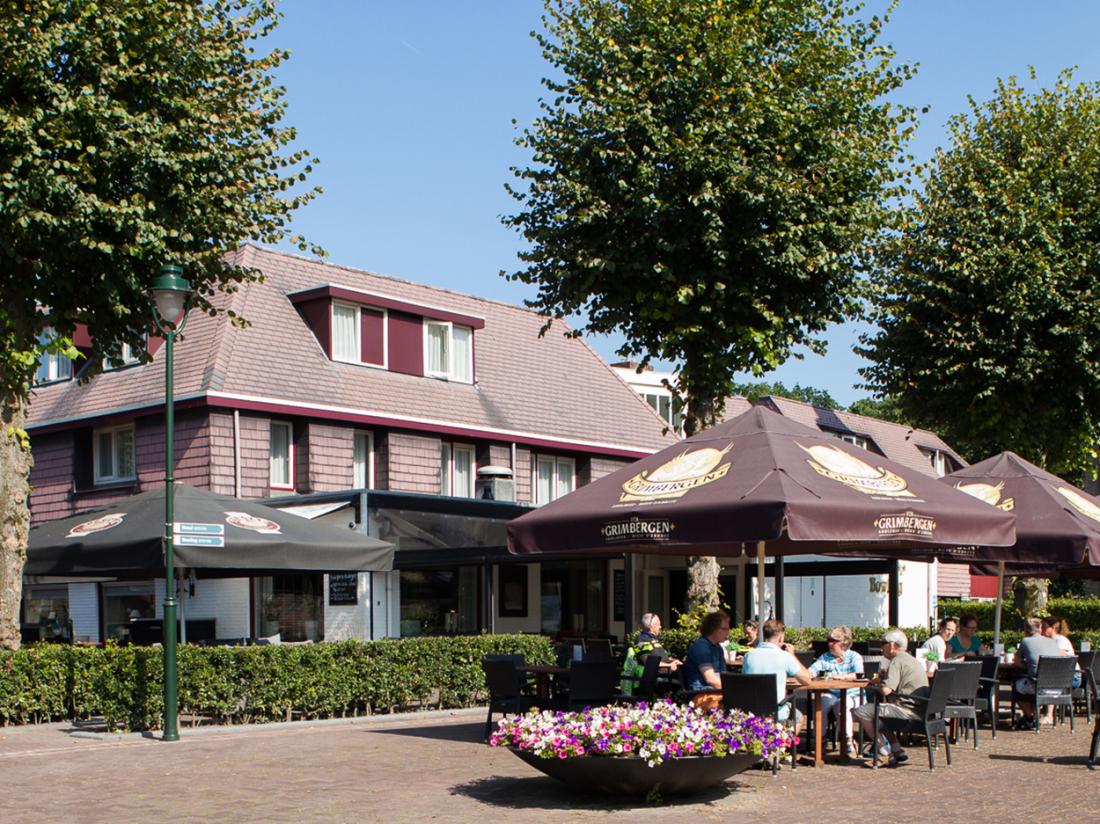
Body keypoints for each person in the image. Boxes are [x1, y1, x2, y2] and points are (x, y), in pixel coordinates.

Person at [852, 629, 929, 767]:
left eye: (883, 643)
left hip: (908, 711)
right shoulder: (911, 659)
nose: (881, 647)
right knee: (877, 715)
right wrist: (883, 678)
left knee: (862, 712)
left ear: (892, 645)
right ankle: (896, 749)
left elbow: (886, 691)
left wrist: (878, 683)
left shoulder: (896, 661)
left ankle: (884, 754)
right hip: (921, 709)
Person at [742, 619, 813, 729]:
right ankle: (781, 743)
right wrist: (793, 655)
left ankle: (772, 743)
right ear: (781, 637)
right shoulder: (784, 656)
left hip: (752, 712)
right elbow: (807, 679)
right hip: (776, 713)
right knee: (798, 717)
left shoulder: (748, 656)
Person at [808, 625, 864, 755]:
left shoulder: (854, 656)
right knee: (820, 703)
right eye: (828, 640)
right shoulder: (825, 657)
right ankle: (819, 741)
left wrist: (842, 677)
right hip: (832, 692)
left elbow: (858, 674)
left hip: (853, 694)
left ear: (844, 643)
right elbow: (811, 671)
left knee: (842, 705)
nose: (829, 643)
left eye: (833, 640)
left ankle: (848, 741)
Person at [1012, 617, 1062, 730]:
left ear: (1025, 630)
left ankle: (1030, 716)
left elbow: (1017, 661)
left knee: (1016, 685)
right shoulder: (1053, 642)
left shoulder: (1026, 641)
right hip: (1057, 686)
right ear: (1040, 629)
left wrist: (1028, 666)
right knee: (1028, 682)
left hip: (1038, 685)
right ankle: (1034, 715)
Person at [621, 613, 681, 695]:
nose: (660, 627)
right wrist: (669, 665)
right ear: (651, 627)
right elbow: (649, 662)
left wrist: (673, 660)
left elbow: (661, 658)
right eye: (658, 624)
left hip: (666, 673)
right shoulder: (642, 641)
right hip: (657, 677)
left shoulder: (654, 640)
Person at [683, 610, 731, 708]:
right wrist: (732, 690)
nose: (728, 632)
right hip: (702, 695)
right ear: (713, 629)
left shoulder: (718, 648)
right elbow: (710, 679)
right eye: (724, 629)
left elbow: (724, 676)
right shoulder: (701, 647)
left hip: (715, 692)